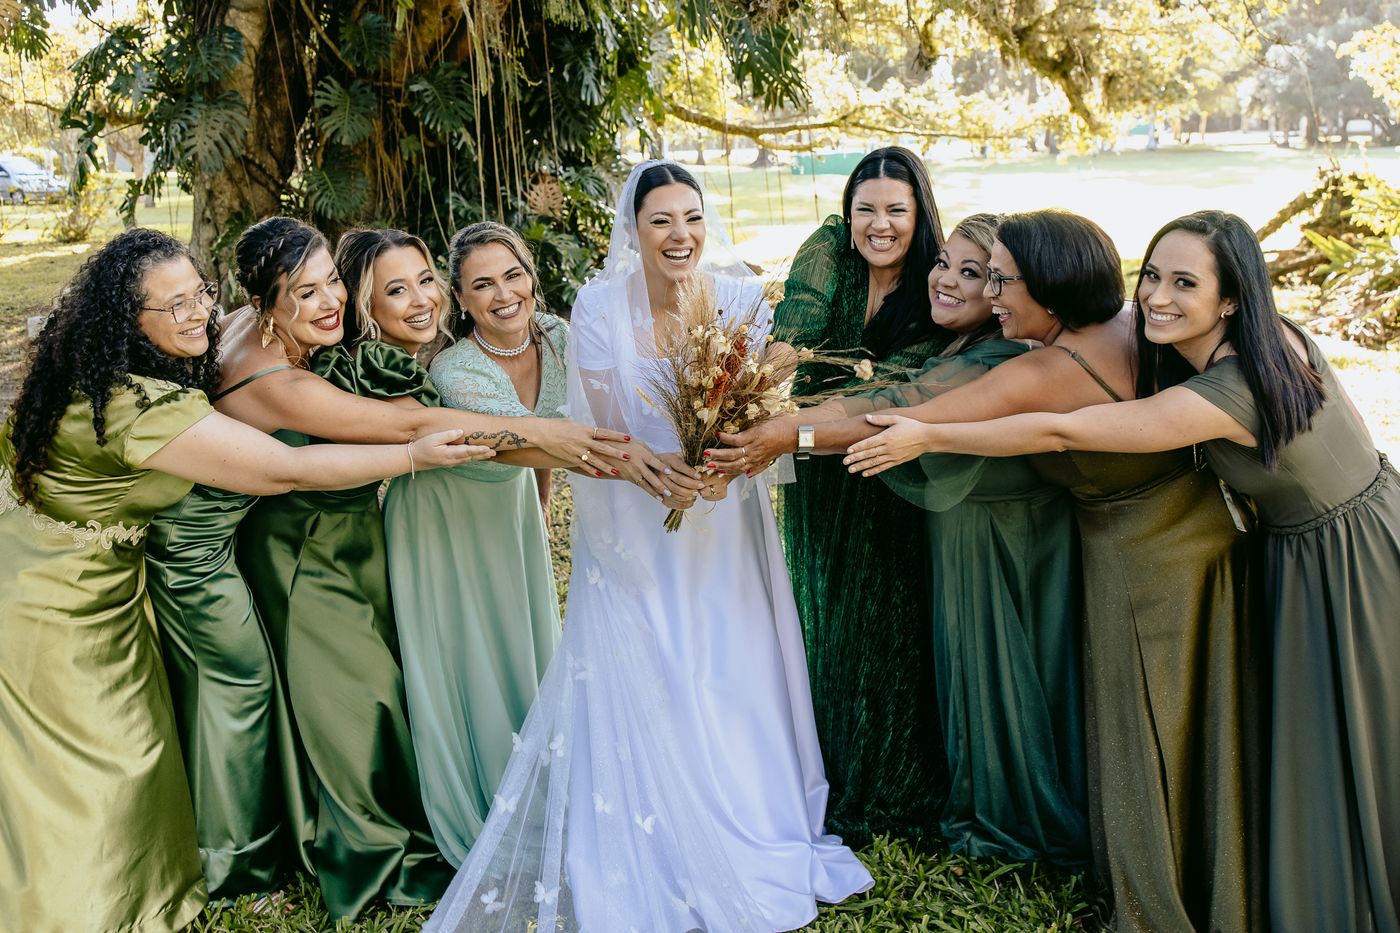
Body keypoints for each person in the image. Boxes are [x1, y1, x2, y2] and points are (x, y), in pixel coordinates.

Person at [848, 210, 1396, 933]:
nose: (1157, 297)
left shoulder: (1228, 390)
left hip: (1343, 559)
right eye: (1153, 275)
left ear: (1231, 298)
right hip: (1340, 528)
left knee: (1363, 728)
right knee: (1325, 734)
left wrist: (933, 433)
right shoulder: (1271, 339)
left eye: (1185, 283)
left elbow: (1062, 429)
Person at [726, 209, 1264, 931]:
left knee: (1151, 725)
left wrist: (780, 434)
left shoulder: (1048, 367)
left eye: (1004, 281)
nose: (991, 294)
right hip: (1181, 539)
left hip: (1153, 559)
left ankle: (1161, 878)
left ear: (1051, 287)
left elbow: (905, 409)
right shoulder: (1129, 325)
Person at [153, 216, 662, 920]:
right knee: (349, 698)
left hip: (326, 532)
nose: (329, 300)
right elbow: (408, 428)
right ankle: (366, 856)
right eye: (306, 292)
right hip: (292, 548)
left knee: (342, 694)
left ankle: (331, 831)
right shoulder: (277, 379)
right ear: (266, 303)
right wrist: (555, 435)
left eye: (331, 281)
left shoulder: (262, 325)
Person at [424, 161, 873, 933]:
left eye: (691, 217)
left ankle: (748, 810)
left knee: (728, 655)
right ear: (634, 230)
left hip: (723, 513)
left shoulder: (739, 297)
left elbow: (759, 408)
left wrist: (725, 464)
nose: (680, 234)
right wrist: (656, 473)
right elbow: (605, 425)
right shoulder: (598, 305)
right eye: (661, 220)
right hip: (637, 513)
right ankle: (662, 822)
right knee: (662, 657)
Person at [0, 228, 487, 932]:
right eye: (174, 306)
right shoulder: (138, 404)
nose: (199, 312)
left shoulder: (120, 360)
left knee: (157, 718)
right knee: (132, 733)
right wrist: (412, 455)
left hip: (94, 565)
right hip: (83, 590)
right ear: (126, 318)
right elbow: (285, 469)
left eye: (200, 292)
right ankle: (208, 872)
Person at [719, 213, 1089, 865]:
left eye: (975, 273)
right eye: (944, 261)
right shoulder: (949, 342)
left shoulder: (994, 357)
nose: (946, 279)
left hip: (1005, 544)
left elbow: (892, 408)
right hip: (963, 539)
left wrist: (782, 435)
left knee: (1003, 677)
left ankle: (1013, 811)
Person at [771, 145, 954, 844]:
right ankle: (826, 761)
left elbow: (898, 388)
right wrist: (752, 391)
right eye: (865, 209)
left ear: (919, 214)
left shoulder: (938, 282)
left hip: (886, 465)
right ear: (847, 212)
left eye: (896, 211)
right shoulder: (828, 252)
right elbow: (795, 326)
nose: (879, 224)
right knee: (825, 605)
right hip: (813, 464)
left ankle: (888, 775)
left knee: (885, 614)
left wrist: (790, 426)